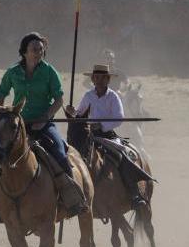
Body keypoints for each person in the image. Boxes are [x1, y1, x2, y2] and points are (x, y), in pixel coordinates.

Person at [0, 32, 87, 223]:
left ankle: (70, 200)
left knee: (59, 153)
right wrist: (3, 113)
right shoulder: (12, 72)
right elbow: (1, 94)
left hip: (43, 125)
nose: (38, 52)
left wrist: (45, 117)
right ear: (24, 52)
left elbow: (58, 100)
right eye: (34, 49)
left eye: (41, 49)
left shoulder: (49, 72)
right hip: (16, 126)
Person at [63, 65, 152, 209]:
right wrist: (72, 113)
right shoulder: (88, 96)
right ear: (92, 79)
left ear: (108, 79)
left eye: (102, 78)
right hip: (88, 136)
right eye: (96, 77)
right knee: (72, 157)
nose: (99, 80)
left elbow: (119, 118)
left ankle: (134, 193)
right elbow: (80, 115)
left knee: (123, 156)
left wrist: (102, 125)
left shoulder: (113, 96)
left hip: (107, 135)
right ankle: (72, 194)